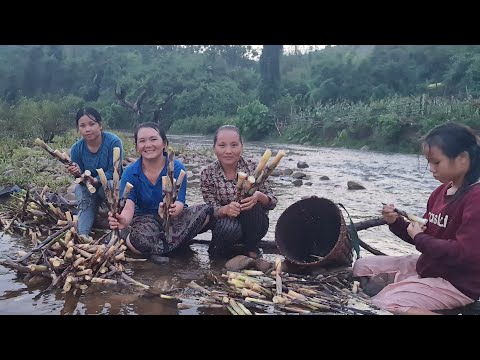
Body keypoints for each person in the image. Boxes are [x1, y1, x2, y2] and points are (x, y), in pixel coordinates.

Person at [353, 122, 480, 315]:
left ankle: (410, 296)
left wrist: (420, 238)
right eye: (429, 162)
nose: (431, 168)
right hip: (428, 267)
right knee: (361, 267)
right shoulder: (441, 192)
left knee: (386, 304)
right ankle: (410, 289)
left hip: (457, 283)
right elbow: (423, 235)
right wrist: (396, 223)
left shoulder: (475, 198)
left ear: (462, 158)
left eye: (436, 162)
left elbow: (464, 253)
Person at [108, 122, 212, 260]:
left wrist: (172, 210)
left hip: (173, 219)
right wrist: (124, 220)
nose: (148, 145)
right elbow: (128, 206)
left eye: (153, 139)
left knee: (206, 211)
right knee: (137, 240)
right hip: (144, 220)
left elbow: (180, 201)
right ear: (137, 147)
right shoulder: (130, 172)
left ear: (164, 143)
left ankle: (161, 248)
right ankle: (173, 245)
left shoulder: (176, 167)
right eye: (142, 141)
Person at [200, 125, 278, 259]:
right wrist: (225, 209)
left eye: (234, 145)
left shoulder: (255, 167)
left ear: (242, 146)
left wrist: (258, 196)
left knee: (252, 205)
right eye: (222, 145)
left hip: (255, 224)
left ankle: (251, 248)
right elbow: (211, 208)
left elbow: (273, 201)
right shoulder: (208, 173)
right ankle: (219, 255)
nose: (228, 151)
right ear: (214, 148)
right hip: (227, 223)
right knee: (226, 231)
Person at [66, 107, 124, 237]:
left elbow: (116, 171)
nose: (88, 129)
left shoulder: (113, 142)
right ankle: (83, 236)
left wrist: (96, 180)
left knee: (108, 185)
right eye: (83, 126)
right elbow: (79, 178)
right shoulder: (76, 149)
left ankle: (118, 222)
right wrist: (76, 173)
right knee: (84, 201)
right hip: (88, 187)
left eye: (92, 124)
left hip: (108, 185)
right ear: (78, 128)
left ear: (100, 125)